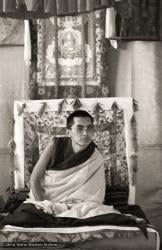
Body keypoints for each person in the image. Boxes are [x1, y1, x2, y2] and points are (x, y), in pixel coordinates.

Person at [26, 110, 119, 218]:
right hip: (46, 199)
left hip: (79, 205)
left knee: (99, 213)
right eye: (79, 128)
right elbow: (34, 179)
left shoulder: (96, 156)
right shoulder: (55, 145)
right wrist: (43, 206)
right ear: (69, 132)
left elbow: (94, 196)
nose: (85, 133)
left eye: (89, 128)